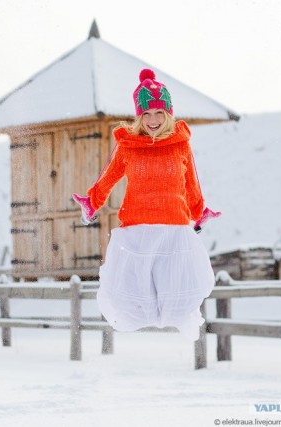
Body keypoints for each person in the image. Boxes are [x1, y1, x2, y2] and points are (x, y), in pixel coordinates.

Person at [72, 69, 219, 341]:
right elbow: (109, 177)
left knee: (175, 298)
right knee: (135, 297)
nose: (152, 120)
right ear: (139, 116)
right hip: (137, 230)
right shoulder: (129, 146)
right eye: (146, 114)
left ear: (168, 113)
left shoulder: (180, 145)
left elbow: (192, 184)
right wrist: (92, 202)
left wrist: (199, 212)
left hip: (174, 229)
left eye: (158, 113)